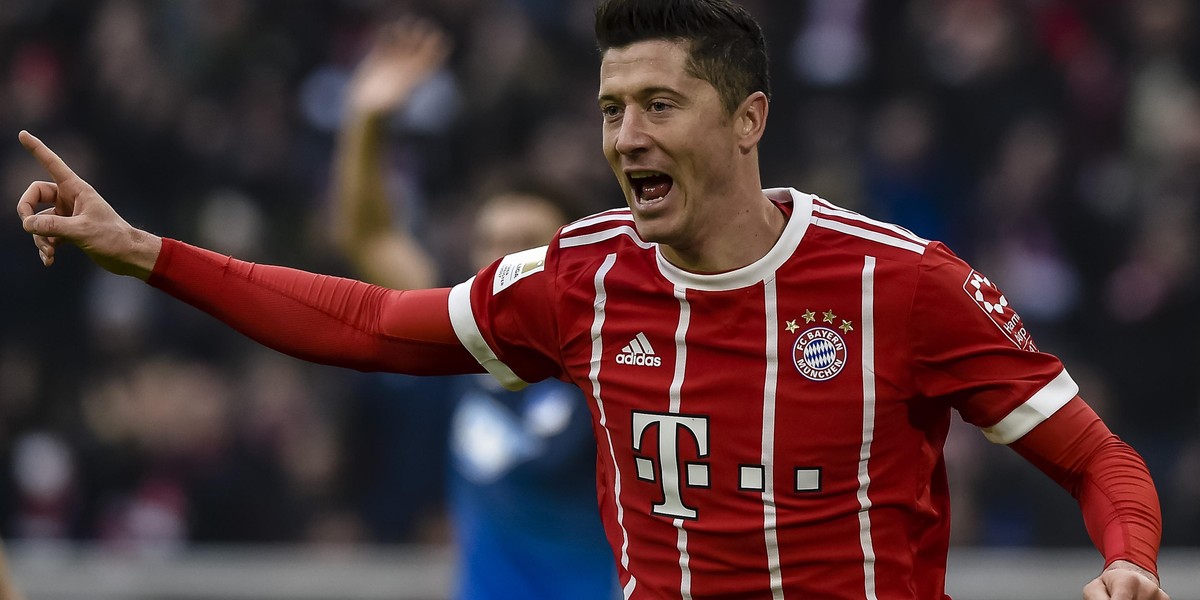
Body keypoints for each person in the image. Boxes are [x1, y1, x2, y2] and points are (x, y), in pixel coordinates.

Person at [13, 0, 1169, 598]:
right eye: (613, 109)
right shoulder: (579, 279)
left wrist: (1130, 557)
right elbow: (368, 321)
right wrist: (147, 252)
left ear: (748, 120)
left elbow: (1096, 457)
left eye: (660, 106)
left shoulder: (900, 283)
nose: (626, 137)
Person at [331, 19, 618, 600]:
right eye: (489, 242)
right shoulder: (461, 337)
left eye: (524, 241)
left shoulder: (613, 348)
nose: (502, 258)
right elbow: (367, 235)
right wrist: (366, 119)